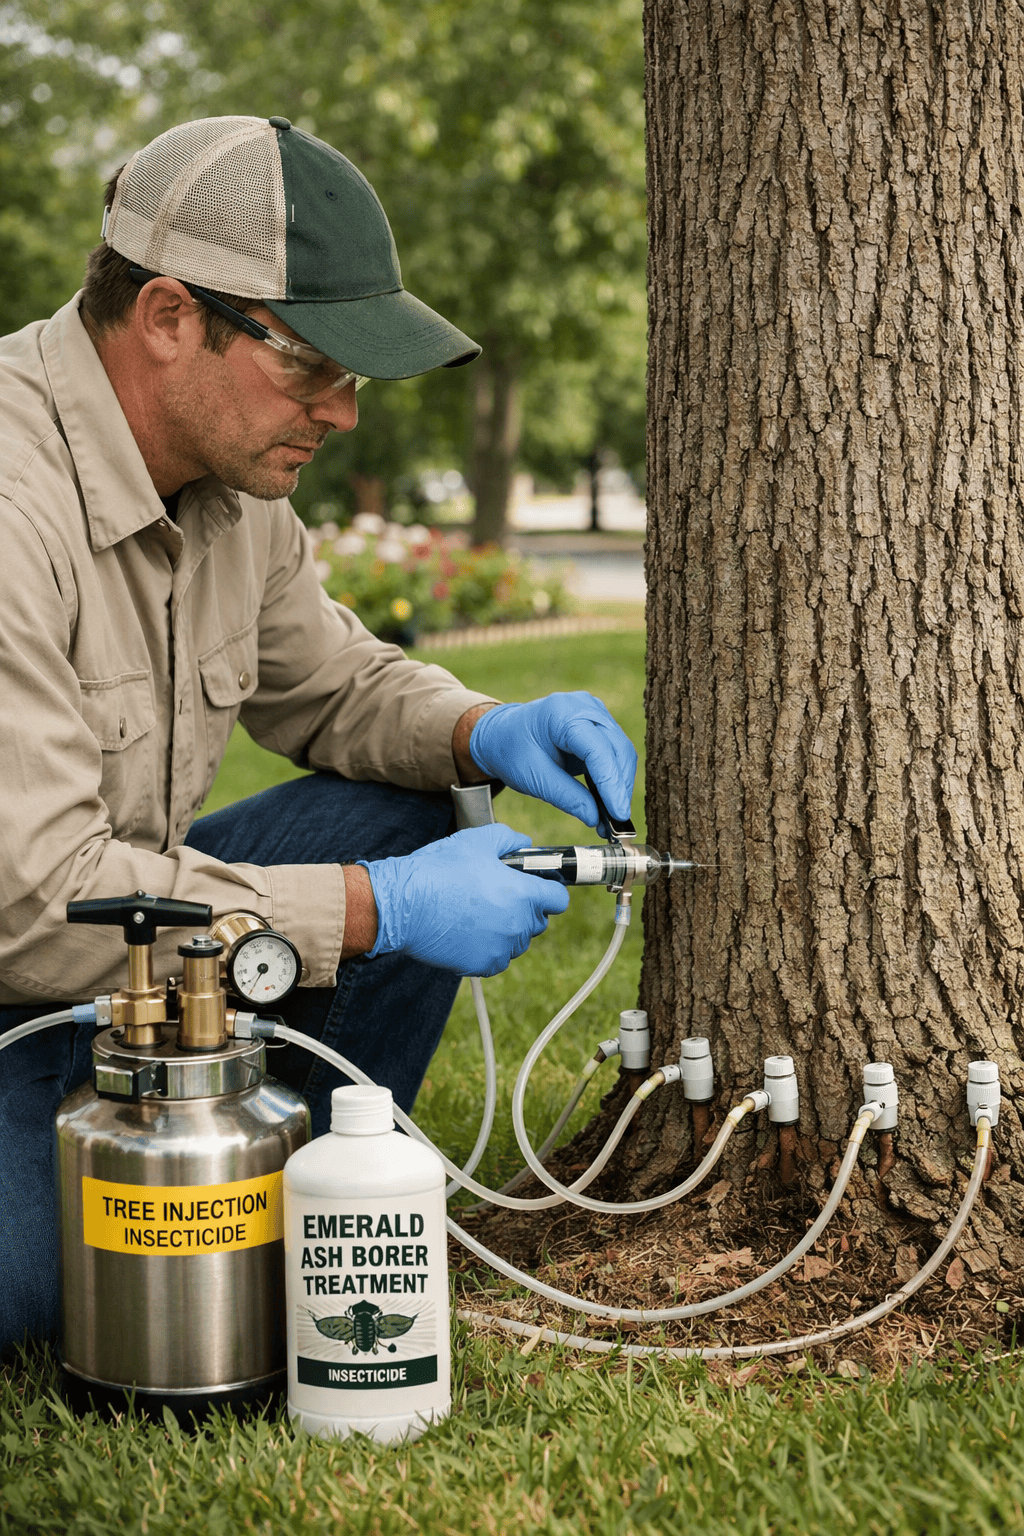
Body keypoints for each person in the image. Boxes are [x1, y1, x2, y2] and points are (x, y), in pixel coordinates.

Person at [0, 115, 637, 1352]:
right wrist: (375, 911)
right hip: (29, 957)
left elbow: (333, 687)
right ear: (172, 315)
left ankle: (303, 1190)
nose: (344, 414)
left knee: (412, 800)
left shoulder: (225, 481)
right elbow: (31, 902)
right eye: (314, 366)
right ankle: (212, 1194)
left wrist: (490, 728)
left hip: (117, 987)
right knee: (37, 1295)